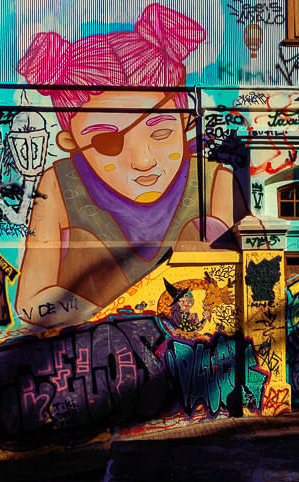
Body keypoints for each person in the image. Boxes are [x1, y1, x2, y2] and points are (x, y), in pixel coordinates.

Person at [14, 4, 246, 327]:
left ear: (185, 122)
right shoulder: (59, 186)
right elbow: (30, 302)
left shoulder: (213, 182)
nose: (144, 160)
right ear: (71, 144)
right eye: (109, 143)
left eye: (162, 132)